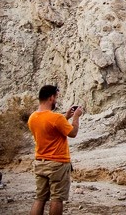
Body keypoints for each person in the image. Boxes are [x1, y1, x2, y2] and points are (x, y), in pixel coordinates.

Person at [28, 85, 82, 215]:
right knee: (57, 199)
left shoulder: (33, 117)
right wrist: (76, 117)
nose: (56, 100)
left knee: (40, 198)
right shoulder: (55, 117)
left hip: (40, 162)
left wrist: (67, 116)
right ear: (51, 97)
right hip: (57, 163)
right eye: (56, 97)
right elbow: (73, 133)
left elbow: (50, 125)